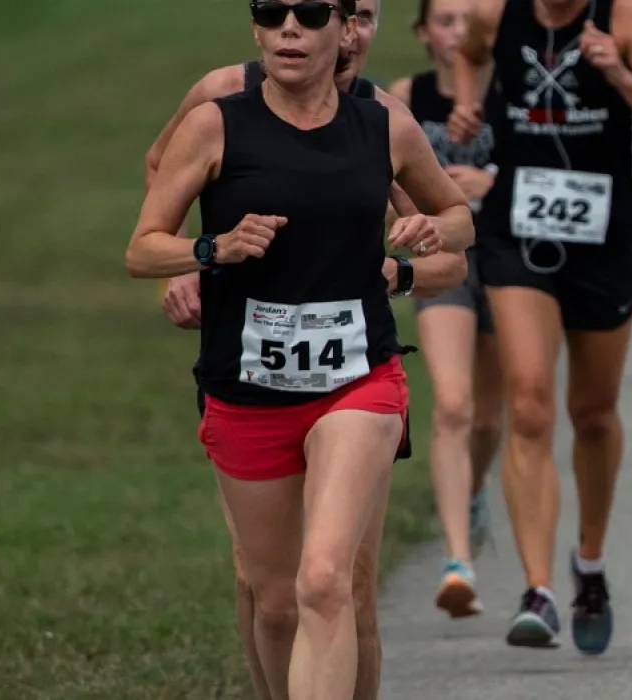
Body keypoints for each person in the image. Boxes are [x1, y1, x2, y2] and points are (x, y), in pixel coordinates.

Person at [125, 0, 474, 697]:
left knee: (330, 582)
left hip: (358, 381)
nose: (290, 26)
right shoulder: (216, 118)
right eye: (272, 11)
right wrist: (210, 251)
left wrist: (420, 244)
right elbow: (142, 247)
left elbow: (457, 221)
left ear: (345, 29)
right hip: (248, 386)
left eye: (311, 12)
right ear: (255, 28)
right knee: (275, 598)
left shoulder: (383, 124)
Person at [443, 0, 632, 653]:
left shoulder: (627, 19)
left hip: (603, 238)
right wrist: (469, 107)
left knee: (593, 413)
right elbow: (469, 52)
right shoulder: (496, 15)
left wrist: (620, 75)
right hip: (516, 229)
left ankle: (588, 562)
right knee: (529, 400)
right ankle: (538, 590)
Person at [386, 0, 507, 620]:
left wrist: (495, 180)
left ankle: (475, 488)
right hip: (443, 268)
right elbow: (388, 177)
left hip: (511, 262)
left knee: (490, 420)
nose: (458, 32)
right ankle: (457, 561)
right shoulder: (404, 98)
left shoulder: (512, 84)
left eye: (469, 19)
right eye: (445, 20)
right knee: (455, 404)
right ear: (423, 32)